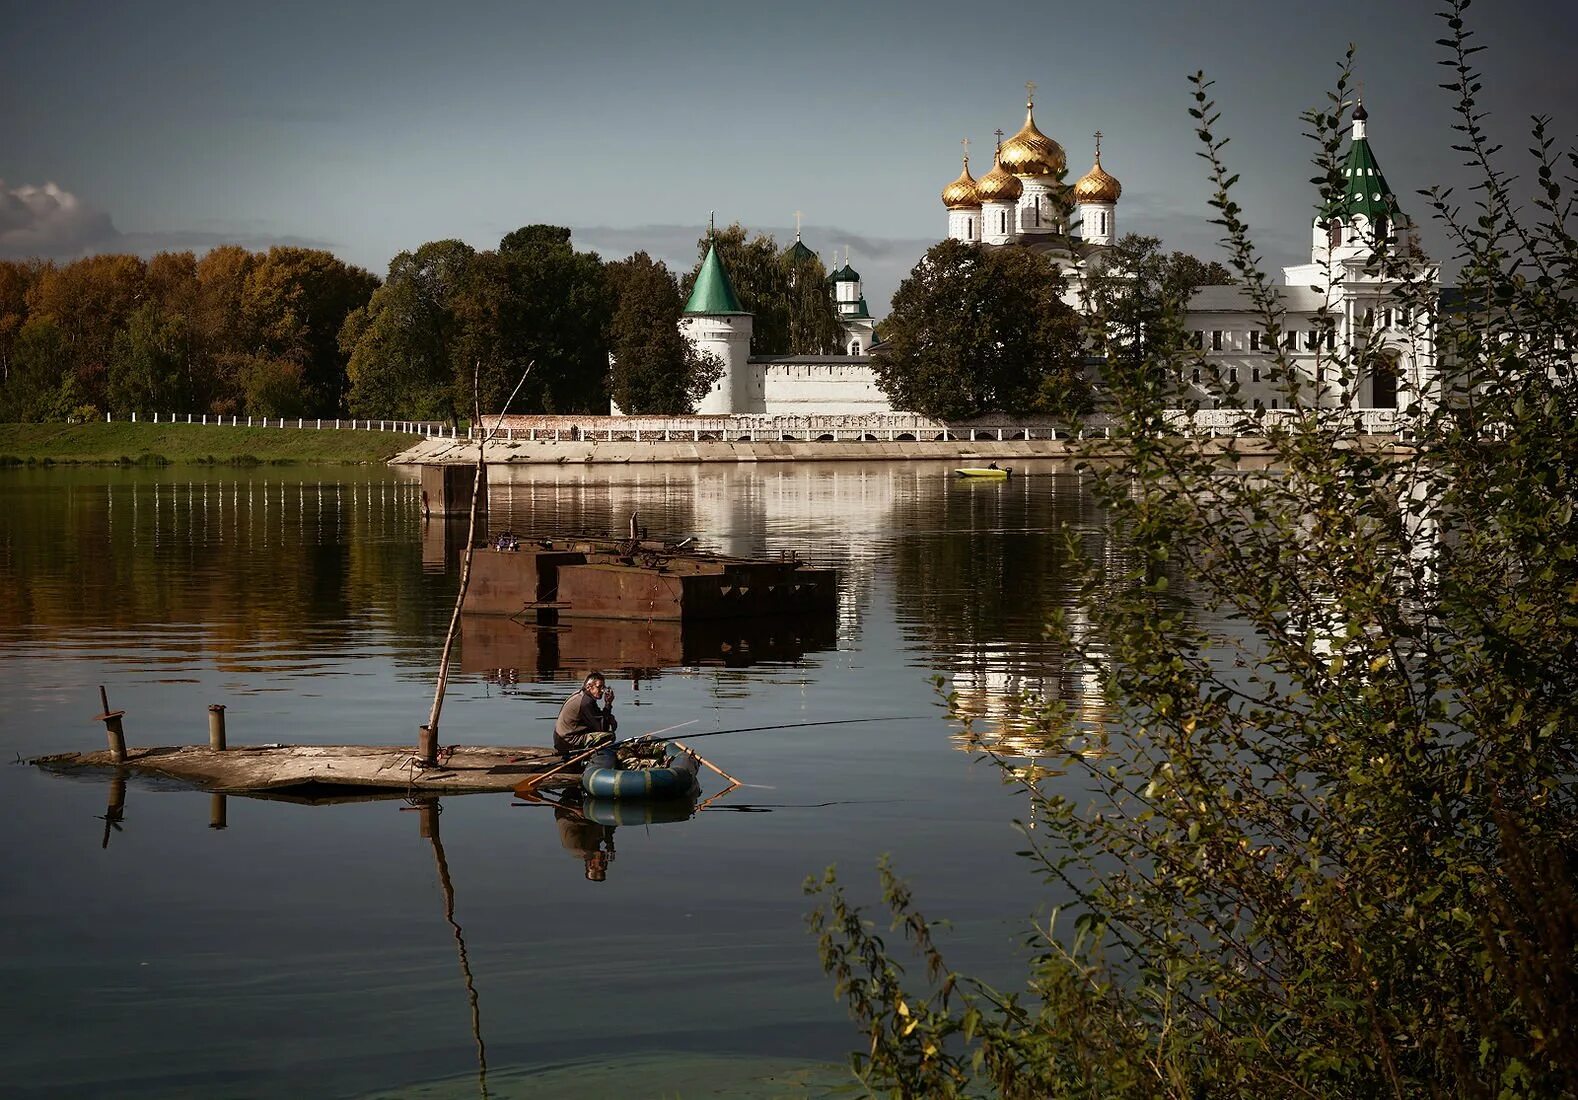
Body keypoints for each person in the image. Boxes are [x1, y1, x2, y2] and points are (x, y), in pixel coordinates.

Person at [553, 671, 618, 758]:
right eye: (599, 687)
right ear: (589, 687)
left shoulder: (581, 695)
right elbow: (602, 728)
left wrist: (610, 717)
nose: (602, 691)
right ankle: (590, 757)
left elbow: (598, 717)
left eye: (603, 687)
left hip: (561, 738)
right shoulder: (586, 702)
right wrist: (608, 704)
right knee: (608, 736)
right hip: (567, 741)